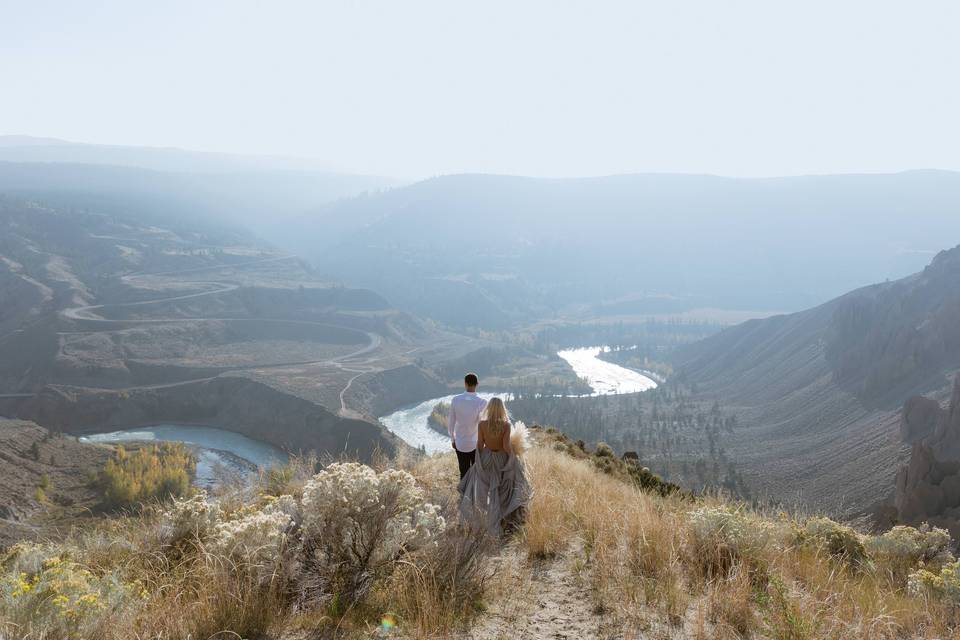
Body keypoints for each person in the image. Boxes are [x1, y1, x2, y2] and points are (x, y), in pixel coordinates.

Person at [458, 397, 531, 537]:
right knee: (501, 488)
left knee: (482, 489)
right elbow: (505, 446)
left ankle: (480, 520)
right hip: (501, 459)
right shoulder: (506, 425)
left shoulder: (482, 424)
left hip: (486, 457)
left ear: (489, 408)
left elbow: (479, 444)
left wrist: (478, 462)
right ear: (502, 409)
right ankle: (502, 517)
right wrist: (513, 457)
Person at [448, 372, 487, 481]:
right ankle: (475, 493)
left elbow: (451, 422)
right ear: (477, 384)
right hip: (476, 443)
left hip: (460, 443)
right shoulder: (482, 402)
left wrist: (452, 439)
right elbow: (483, 424)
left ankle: (464, 494)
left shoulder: (455, 400)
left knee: (463, 470)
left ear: (465, 384)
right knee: (477, 470)